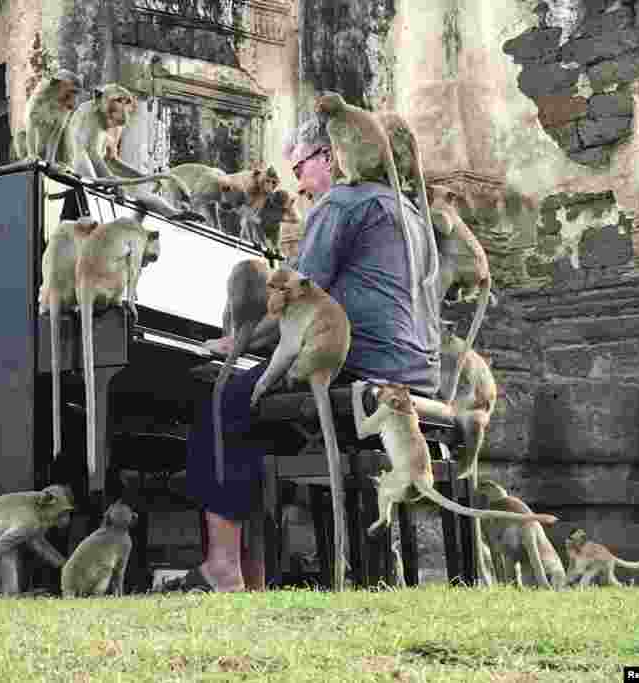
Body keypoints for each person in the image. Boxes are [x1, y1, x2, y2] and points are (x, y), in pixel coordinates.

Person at [159, 111, 443, 593]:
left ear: (329, 157)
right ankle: (258, 570)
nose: (299, 185)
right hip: (413, 370)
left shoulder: (342, 205)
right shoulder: (409, 211)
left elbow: (294, 301)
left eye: (299, 169)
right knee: (257, 412)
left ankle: (224, 566)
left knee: (223, 397)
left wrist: (235, 341)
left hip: (360, 366)